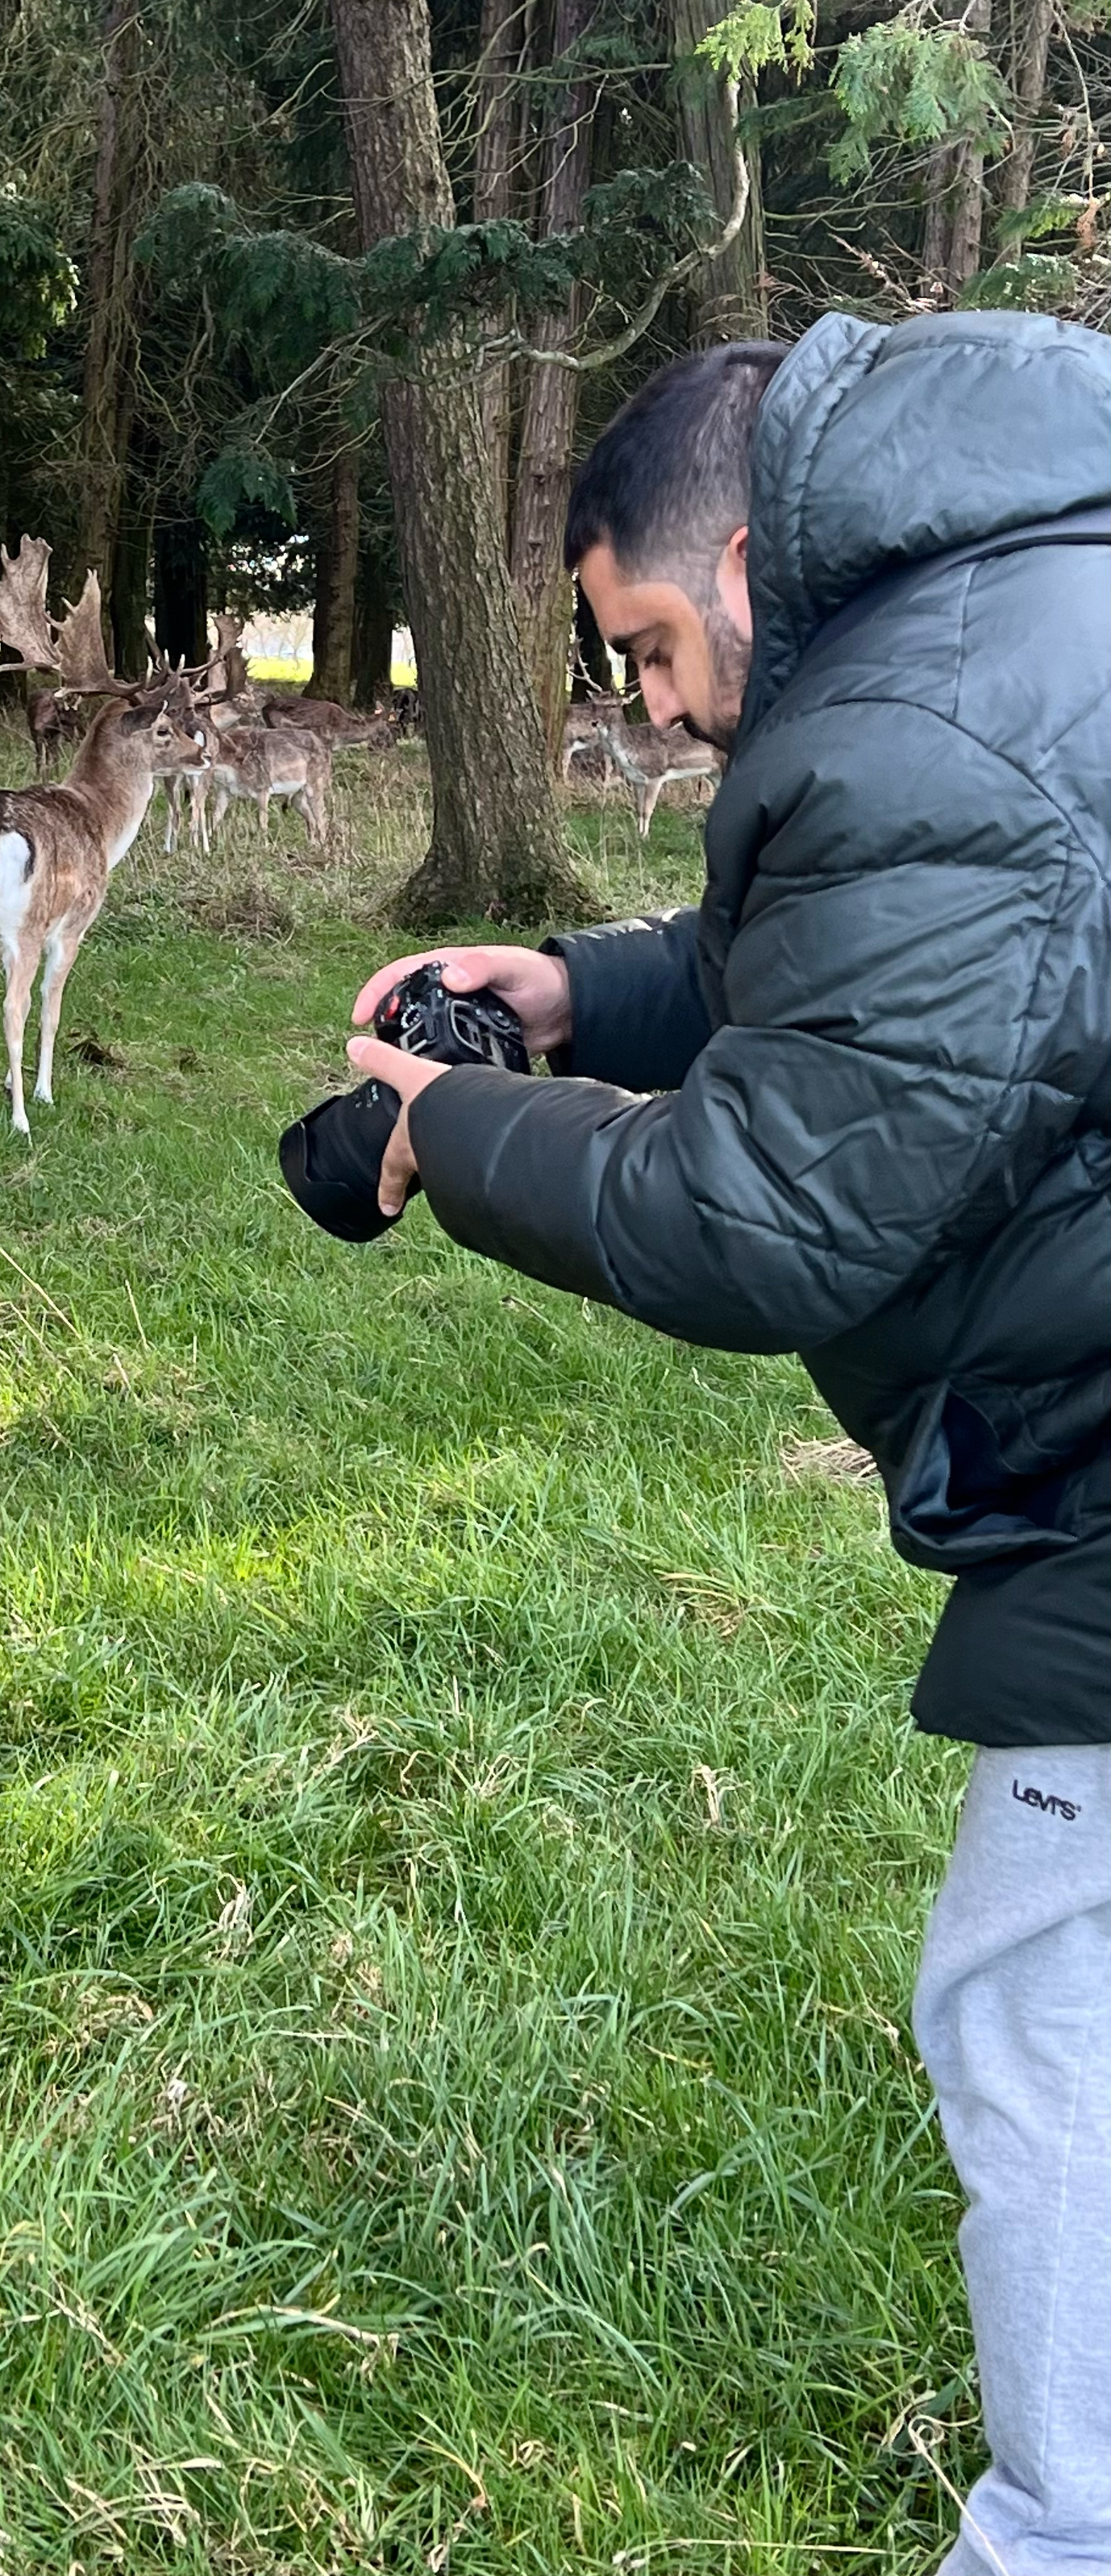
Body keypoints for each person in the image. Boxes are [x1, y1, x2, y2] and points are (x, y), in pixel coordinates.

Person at [348, 310, 1111, 2576]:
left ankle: (1062, 2533)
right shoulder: (1012, 610)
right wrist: (593, 985)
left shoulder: (931, 717)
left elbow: (764, 1208)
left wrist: (454, 1124)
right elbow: (909, 957)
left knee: (1032, 2005)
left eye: (659, 646)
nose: (655, 705)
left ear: (760, 560)